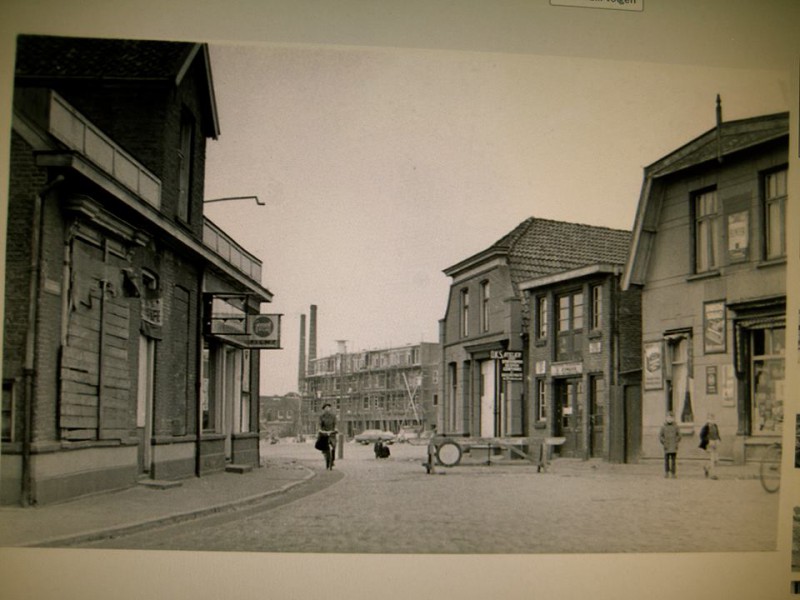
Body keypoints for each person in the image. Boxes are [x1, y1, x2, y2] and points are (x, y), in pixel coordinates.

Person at [699, 413, 721, 480]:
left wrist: (719, 440)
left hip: (715, 443)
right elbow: (702, 436)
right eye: (709, 419)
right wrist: (707, 442)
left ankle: (707, 468)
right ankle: (713, 475)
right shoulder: (705, 427)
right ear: (707, 420)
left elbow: (717, 434)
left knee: (716, 460)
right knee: (712, 459)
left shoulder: (715, 426)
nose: (711, 420)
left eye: (712, 419)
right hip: (709, 444)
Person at [316, 403, 338, 470]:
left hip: (331, 433)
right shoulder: (321, 417)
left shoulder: (333, 416)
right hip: (324, 433)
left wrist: (336, 429)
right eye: (326, 408)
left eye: (329, 408)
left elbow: (335, 424)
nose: (327, 409)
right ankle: (325, 453)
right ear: (324, 409)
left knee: (333, 446)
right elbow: (319, 424)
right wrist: (320, 430)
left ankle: (332, 460)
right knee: (322, 444)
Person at [658, 413, 680, 478]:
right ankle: (666, 472)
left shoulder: (676, 427)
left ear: (673, 419)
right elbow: (660, 436)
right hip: (667, 446)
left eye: (671, 418)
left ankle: (673, 473)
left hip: (673, 445)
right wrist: (664, 441)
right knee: (666, 460)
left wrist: (676, 441)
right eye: (668, 418)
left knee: (673, 460)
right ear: (666, 419)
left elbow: (679, 435)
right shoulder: (663, 427)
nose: (670, 419)